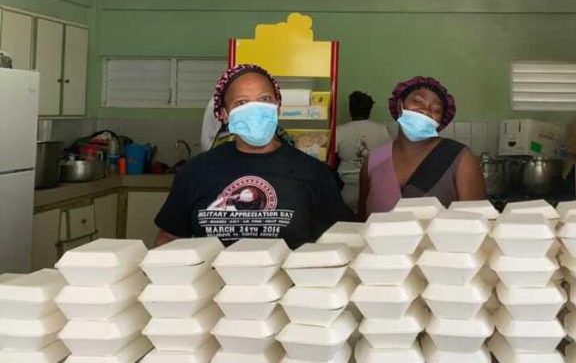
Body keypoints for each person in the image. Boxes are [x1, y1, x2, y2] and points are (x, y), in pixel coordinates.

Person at [155, 64, 354, 248]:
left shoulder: (313, 172)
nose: (255, 110)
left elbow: (340, 239)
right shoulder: (196, 171)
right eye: (241, 102)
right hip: (215, 276)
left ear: (277, 106)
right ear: (224, 114)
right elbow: (169, 238)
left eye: (264, 99)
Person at [358, 76, 486, 218]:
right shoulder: (373, 161)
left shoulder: (460, 158)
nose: (425, 111)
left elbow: (477, 223)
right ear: (400, 105)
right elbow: (362, 222)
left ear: (440, 122)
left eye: (436, 109)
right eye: (417, 101)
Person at [335, 91, 391, 210]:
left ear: (350, 109)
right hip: (374, 186)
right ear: (370, 110)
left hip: (347, 186)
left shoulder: (340, 131)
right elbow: (388, 159)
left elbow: (332, 159)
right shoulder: (382, 130)